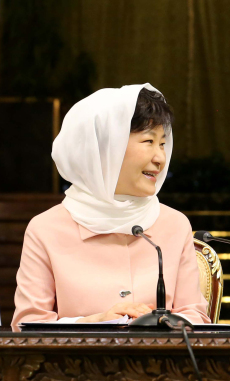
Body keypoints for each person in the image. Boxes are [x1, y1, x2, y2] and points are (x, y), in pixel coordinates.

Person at [12, 84, 210, 325]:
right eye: (148, 141)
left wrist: (159, 327)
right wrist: (95, 323)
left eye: (162, 143)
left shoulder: (174, 225)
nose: (160, 158)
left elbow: (196, 316)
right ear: (105, 148)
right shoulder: (45, 229)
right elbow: (27, 328)